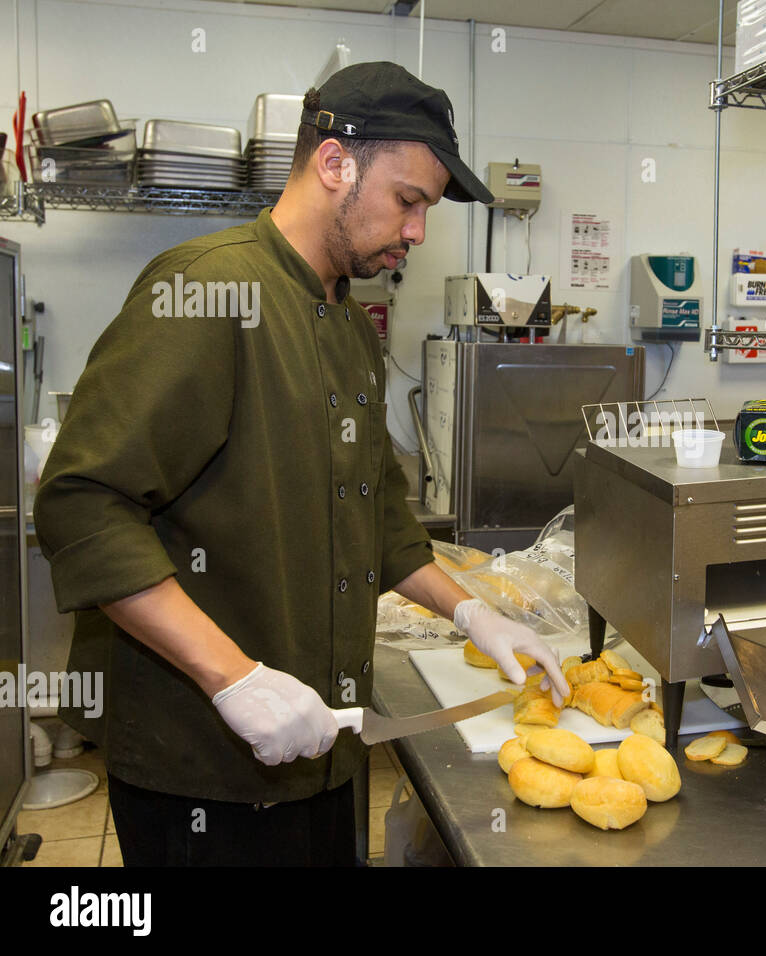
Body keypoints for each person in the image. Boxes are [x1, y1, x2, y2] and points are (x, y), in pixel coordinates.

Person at [33, 61, 569, 867]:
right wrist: (234, 679)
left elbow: (382, 518)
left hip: (326, 751)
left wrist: (475, 615)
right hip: (206, 771)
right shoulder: (209, 291)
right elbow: (80, 504)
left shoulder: (350, 327)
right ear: (333, 164)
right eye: (410, 200)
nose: (418, 231)